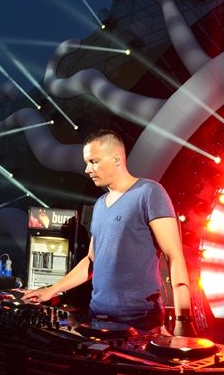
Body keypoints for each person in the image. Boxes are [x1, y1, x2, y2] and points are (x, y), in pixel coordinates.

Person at [24, 130, 193, 335]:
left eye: (93, 162)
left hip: (140, 323)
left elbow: (174, 256)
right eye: (87, 163)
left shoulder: (149, 192)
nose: (87, 169)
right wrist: (51, 290)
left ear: (117, 158)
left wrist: (183, 320)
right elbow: (92, 261)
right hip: (98, 320)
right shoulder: (99, 205)